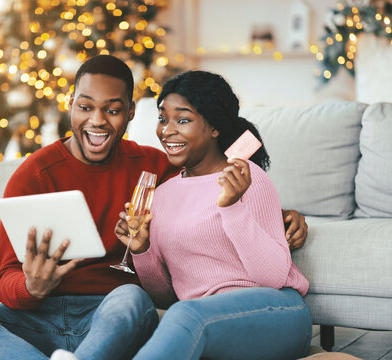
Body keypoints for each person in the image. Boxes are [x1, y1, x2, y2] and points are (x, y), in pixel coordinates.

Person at [0, 56, 308, 360]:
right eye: (86, 107)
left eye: (112, 110)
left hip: (112, 314)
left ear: (130, 113)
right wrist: (31, 286)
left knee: (132, 296)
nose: (97, 121)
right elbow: (4, 280)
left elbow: (213, 182)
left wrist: (276, 213)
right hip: (40, 317)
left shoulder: (155, 167)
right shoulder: (33, 175)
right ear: (71, 105)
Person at [115, 71, 312, 360]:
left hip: (276, 313)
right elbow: (164, 297)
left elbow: (273, 277)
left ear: (215, 127)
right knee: (184, 313)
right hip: (203, 321)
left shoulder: (247, 177)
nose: (167, 131)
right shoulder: (163, 195)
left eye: (182, 120)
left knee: (186, 315)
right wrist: (141, 250)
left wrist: (232, 208)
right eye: (162, 118)